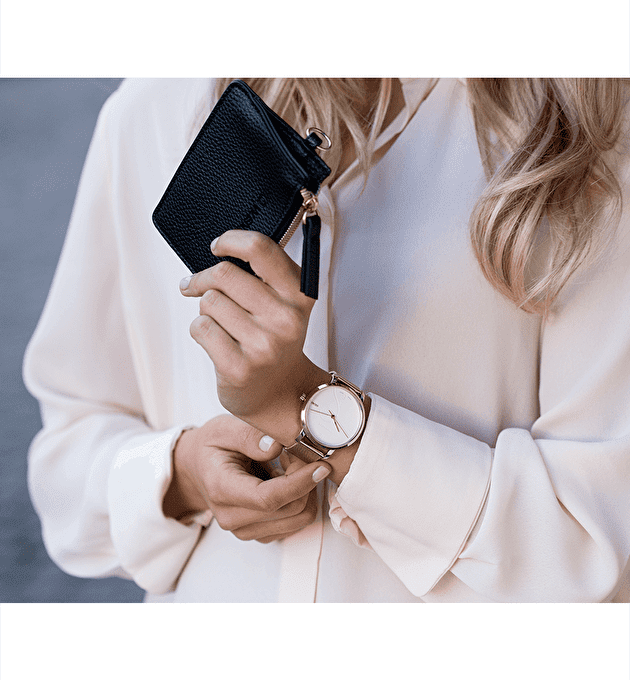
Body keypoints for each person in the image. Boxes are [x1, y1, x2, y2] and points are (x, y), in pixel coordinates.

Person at [23, 77, 630, 603]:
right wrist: (182, 475)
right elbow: (66, 463)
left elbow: (594, 543)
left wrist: (304, 405)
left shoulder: (582, 129)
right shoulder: (157, 110)